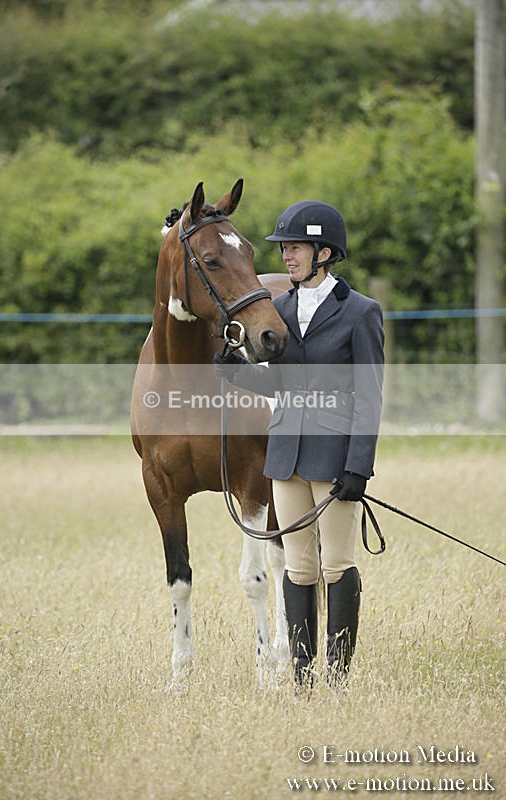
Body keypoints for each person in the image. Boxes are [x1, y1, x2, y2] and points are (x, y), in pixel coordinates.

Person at [215, 200, 384, 687]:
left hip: (334, 460)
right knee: (299, 567)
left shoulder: (360, 313)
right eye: (284, 248)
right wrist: (238, 375)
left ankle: (337, 676)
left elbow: (369, 397)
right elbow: (280, 388)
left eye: (295, 248)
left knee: (336, 565)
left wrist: (359, 467)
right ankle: (304, 674)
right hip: (284, 457)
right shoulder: (281, 309)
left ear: (324, 253)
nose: (286, 257)